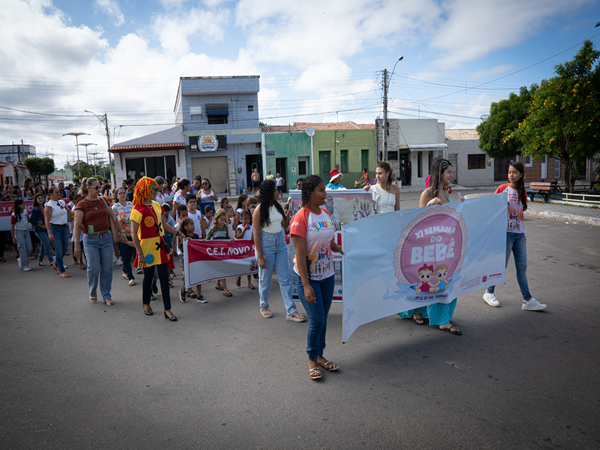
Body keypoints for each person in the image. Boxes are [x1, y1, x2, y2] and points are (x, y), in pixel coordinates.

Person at [399, 158, 463, 334]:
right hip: (430, 248)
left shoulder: (445, 191)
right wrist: (428, 205)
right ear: (439, 173)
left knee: (446, 281)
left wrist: (461, 206)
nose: (451, 175)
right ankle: (428, 314)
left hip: (445, 248)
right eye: (449, 172)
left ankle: (441, 317)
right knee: (431, 281)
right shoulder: (427, 193)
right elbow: (419, 222)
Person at [291, 175, 343, 380]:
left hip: (327, 275)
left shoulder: (325, 213)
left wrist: (334, 246)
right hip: (309, 277)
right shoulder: (300, 219)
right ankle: (312, 359)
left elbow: (325, 238)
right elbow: (301, 256)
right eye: (321, 190)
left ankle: (320, 355)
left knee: (323, 320)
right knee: (317, 319)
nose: (325, 194)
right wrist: (305, 285)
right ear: (310, 193)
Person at [482, 162, 547, 311]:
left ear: (521, 175)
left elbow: (520, 214)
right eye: (510, 172)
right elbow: (491, 208)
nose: (511, 175)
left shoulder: (522, 191)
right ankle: (489, 292)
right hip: (505, 234)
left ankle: (528, 300)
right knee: (500, 266)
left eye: (515, 172)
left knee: (522, 268)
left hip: (519, 235)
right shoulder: (502, 189)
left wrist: (523, 233)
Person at [130, 177, 185, 321]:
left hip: (160, 247)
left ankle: (167, 309)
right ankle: (146, 303)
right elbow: (133, 234)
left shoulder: (156, 205)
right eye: (154, 189)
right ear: (146, 190)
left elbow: (164, 225)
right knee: (148, 278)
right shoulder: (138, 209)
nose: (157, 191)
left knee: (164, 278)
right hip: (146, 249)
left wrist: (178, 233)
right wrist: (140, 253)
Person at [253, 179, 305, 322]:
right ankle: (264, 306)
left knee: (285, 279)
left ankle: (291, 311)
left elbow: (285, 225)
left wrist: (287, 213)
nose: (278, 192)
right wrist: (260, 256)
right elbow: (256, 234)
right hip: (266, 245)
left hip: (281, 244)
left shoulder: (277, 206)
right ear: (269, 192)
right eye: (275, 190)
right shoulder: (259, 210)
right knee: (265, 279)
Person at [74, 177, 125, 304]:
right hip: (90, 239)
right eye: (96, 187)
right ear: (88, 188)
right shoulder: (82, 204)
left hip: (106, 237)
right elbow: (77, 225)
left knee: (107, 267)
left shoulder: (103, 200)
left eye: (99, 186)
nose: (99, 189)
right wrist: (76, 245)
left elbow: (113, 217)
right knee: (94, 267)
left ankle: (106, 295)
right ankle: (92, 291)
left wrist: (121, 232)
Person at [206, 209, 235, 297]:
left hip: (223, 252)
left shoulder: (225, 227)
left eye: (224, 220)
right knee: (222, 269)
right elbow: (207, 238)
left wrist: (230, 239)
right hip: (216, 253)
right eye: (221, 220)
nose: (222, 222)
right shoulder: (213, 228)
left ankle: (218, 283)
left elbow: (226, 237)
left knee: (222, 268)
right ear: (217, 219)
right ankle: (225, 289)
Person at [46, 186, 72, 278]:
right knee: (58, 250)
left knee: (64, 249)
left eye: (59, 192)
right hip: (55, 228)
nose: (59, 194)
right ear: (51, 194)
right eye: (56, 192)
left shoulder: (62, 202)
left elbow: (67, 212)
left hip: (64, 228)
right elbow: (47, 220)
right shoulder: (49, 205)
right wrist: (50, 233)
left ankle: (56, 264)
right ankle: (62, 270)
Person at [177, 218, 205, 303]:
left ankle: (199, 296)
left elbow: (198, 246)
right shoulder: (183, 236)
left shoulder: (195, 236)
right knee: (189, 279)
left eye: (193, 224)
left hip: (196, 260)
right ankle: (183, 290)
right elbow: (182, 249)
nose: (193, 226)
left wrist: (202, 242)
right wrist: (186, 241)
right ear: (185, 227)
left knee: (198, 277)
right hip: (187, 261)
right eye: (191, 224)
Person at [112, 187, 136, 286]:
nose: (122, 194)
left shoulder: (131, 204)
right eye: (120, 193)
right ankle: (131, 277)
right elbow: (113, 222)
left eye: (124, 193)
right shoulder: (115, 207)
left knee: (131, 254)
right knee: (125, 255)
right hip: (121, 234)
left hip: (133, 233)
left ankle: (124, 270)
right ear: (117, 196)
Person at [30, 193, 54, 267]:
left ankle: (40, 260)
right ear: (36, 200)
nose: (40, 200)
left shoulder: (45, 207)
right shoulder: (35, 209)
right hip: (39, 229)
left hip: (45, 228)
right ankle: (51, 260)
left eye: (42, 198)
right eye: (39, 198)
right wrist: (39, 223)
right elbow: (32, 219)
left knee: (43, 245)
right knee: (46, 243)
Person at [235, 210, 255, 290]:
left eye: (248, 219)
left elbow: (252, 236)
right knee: (241, 264)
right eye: (245, 219)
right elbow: (238, 237)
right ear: (241, 219)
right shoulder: (240, 227)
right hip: (241, 249)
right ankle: (239, 276)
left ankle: (249, 282)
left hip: (249, 249)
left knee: (249, 264)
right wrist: (244, 230)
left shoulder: (251, 227)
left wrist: (253, 239)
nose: (247, 221)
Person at [11, 199, 32, 272]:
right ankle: (25, 265)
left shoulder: (25, 211)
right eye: (23, 204)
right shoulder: (14, 214)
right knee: (22, 249)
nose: (24, 205)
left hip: (26, 231)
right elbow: (12, 226)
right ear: (19, 205)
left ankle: (21, 259)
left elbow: (28, 220)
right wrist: (13, 237)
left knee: (29, 248)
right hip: (19, 232)